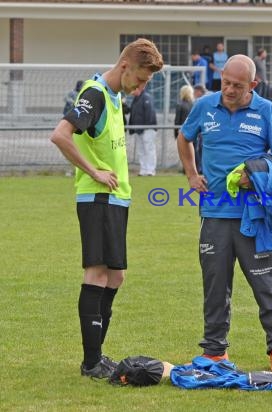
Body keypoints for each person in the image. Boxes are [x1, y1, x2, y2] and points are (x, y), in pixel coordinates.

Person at [49, 38, 163, 379]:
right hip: (97, 197)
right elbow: (61, 135)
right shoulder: (95, 93)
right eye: (140, 79)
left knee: (116, 276)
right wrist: (94, 171)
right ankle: (91, 362)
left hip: (115, 198)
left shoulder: (114, 97)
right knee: (97, 273)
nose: (141, 88)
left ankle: (97, 356)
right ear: (125, 65)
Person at [177, 54, 272, 374]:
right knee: (215, 286)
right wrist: (191, 173)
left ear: (252, 85)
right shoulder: (204, 106)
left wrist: (254, 173)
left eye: (237, 86)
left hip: (253, 215)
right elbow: (184, 137)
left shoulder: (267, 111)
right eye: (225, 82)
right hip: (214, 214)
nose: (228, 89)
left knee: (266, 285)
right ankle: (215, 352)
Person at [129, 85, 158, 176]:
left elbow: (149, 113)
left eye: (133, 90)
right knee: (141, 149)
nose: (131, 92)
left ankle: (150, 170)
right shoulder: (136, 99)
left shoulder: (146, 97)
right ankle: (143, 169)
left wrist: (145, 127)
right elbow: (133, 113)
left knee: (149, 149)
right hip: (139, 129)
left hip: (147, 129)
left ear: (138, 89)